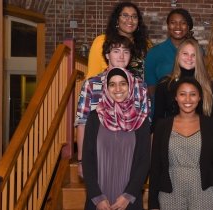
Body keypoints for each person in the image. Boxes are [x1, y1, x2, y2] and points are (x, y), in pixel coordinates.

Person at [149, 77, 213, 210]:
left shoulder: (211, 125)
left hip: (204, 192)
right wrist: (153, 205)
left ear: (199, 97)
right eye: (182, 94)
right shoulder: (162, 126)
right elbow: (156, 167)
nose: (188, 99)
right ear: (176, 97)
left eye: (193, 94)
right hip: (170, 192)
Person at [82, 67, 151, 210]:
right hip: (99, 200)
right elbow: (87, 159)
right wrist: (97, 197)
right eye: (112, 84)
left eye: (123, 83)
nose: (118, 88)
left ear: (130, 86)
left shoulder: (141, 120)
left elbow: (144, 161)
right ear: (106, 88)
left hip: (128, 201)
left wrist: (128, 196)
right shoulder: (95, 117)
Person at [76, 36, 133, 177]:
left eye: (126, 52)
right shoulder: (91, 84)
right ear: (107, 55)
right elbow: (82, 123)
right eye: (116, 51)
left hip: (128, 157)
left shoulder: (139, 86)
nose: (121, 56)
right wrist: (81, 160)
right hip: (97, 155)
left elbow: (144, 127)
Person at [152, 38, 213, 128]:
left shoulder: (207, 84)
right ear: (178, 56)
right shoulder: (165, 84)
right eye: (185, 54)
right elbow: (158, 118)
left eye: (193, 55)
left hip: (201, 135)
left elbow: (212, 119)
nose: (189, 58)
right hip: (171, 135)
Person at [86, 2, 151, 79]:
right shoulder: (102, 41)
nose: (130, 20)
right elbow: (92, 75)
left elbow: (150, 77)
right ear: (117, 20)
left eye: (134, 17)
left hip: (139, 90)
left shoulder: (146, 44)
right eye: (125, 15)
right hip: (106, 89)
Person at [145, 8, 194, 97]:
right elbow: (151, 88)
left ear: (188, 26)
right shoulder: (154, 53)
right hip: (162, 108)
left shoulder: (198, 52)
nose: (178, 26)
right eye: (173, 22)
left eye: (183, 23)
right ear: (168, 26)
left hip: (191, 106)